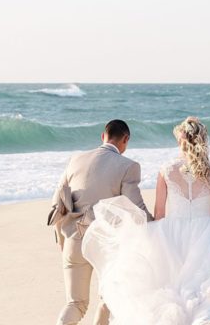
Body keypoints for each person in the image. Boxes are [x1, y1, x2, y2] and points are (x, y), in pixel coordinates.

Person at [82, 116, 210, 325]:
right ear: (202, 141)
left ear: (180, 141)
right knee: (205, 288)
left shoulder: (166, 170)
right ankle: (206, 317)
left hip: (171, 232)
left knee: (171, 287)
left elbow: (159, 213)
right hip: (206, 230)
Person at [50, 119, 152, 325]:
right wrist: (156, 225)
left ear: (103, 136)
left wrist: (63, 239)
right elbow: (136, 208)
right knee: (108, 300)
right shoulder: (128, 166)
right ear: (126, 139)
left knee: (75, 304)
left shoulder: (76, 160)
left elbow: (56, 204)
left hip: (74, 240)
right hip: (106, 244)